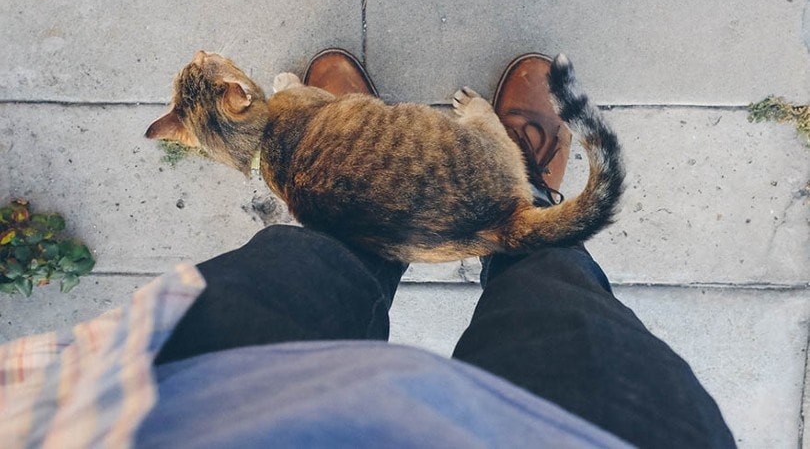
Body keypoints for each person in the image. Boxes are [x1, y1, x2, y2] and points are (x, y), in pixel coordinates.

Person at [0, 50, 735, 448]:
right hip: (592, 429)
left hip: (151, 413)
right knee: (563, 305)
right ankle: (530, 204)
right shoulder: (259, 98)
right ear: (238, 98)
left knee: (303, 261)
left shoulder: (227, 136)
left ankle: (359, 238)